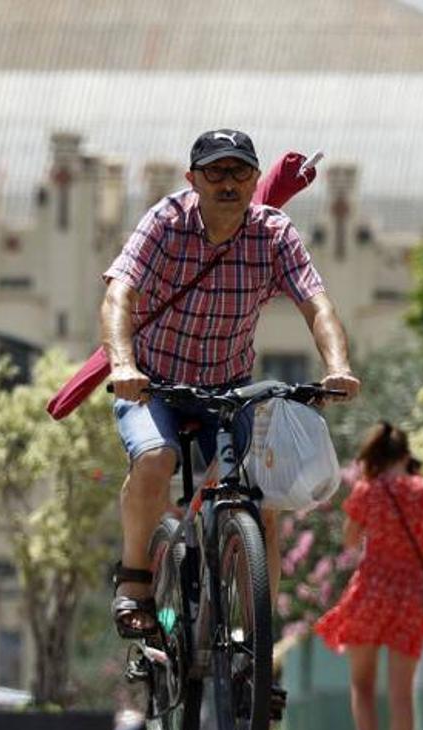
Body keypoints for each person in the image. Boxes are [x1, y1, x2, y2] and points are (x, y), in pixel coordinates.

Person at [101, 128, 360, 639]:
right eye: (215, 172)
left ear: (255, 179)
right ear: (192, 179)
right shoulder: (166, 222)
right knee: (156, 459)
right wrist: (123, 366)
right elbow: (118, 296)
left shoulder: (273, 232)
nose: (228, 183)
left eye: (240, 171)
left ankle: (255, 642)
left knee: (262, 496)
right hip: (153, 385)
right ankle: (134, 582)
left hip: (230, 388)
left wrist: (337, 365)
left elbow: (317, 304)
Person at [313, 422, 423, 730]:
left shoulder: (367, 491)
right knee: (402, 692)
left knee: (362, 684)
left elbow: (349, 538)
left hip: (371, 592)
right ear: (407, 456)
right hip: (411, 595)